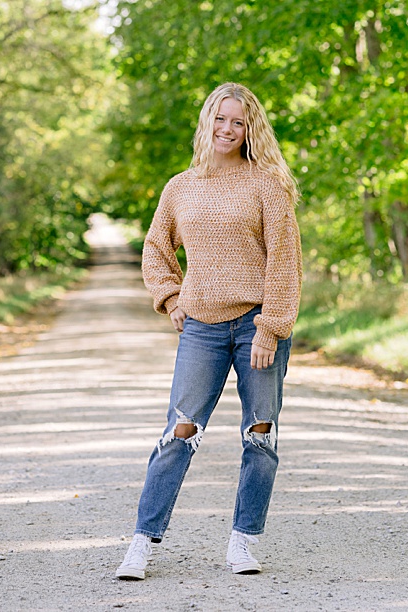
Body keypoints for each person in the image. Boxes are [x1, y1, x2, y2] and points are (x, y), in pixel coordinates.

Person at [115, 82, 301, 580]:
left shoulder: (268, 183)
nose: (228, 129)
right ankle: (141, 543)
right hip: (201, 327)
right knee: (181, 431)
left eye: (238, 122)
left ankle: (242, 542)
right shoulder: (180, 186)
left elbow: (285, 261)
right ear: (207, 122)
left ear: (250, 129)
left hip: (258, 326)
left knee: (260, 434)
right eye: (221, 119)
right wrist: (171, 296)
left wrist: (272, 327)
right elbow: (156, 248)